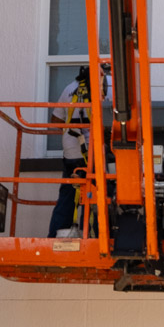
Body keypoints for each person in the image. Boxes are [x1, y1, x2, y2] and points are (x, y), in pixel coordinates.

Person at [48, 64, 108, 237]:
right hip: (95, 156)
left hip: (72, 154)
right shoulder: (107, 88)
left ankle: (55, 237)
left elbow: (55, 120)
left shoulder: (70, 88)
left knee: (67, 197)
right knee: (95, 198)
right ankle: (93, 238)